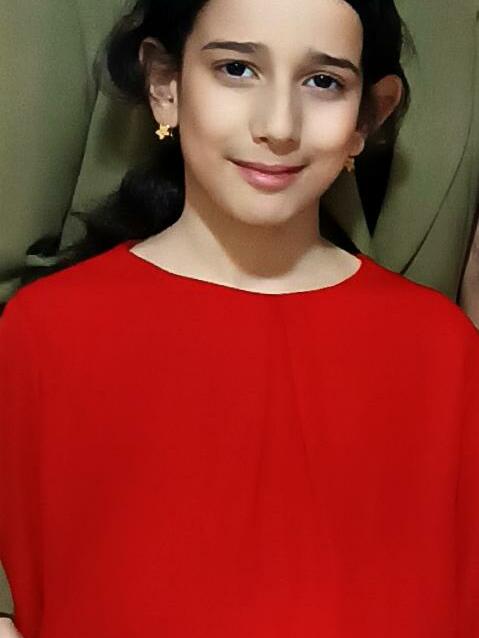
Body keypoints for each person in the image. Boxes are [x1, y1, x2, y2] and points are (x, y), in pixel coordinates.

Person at [0, 0, 477, 636]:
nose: (278, 125)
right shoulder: (48, 331)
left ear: (369, 117)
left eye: (323, 81)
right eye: (236, 69)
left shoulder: (439, 348)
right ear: (165, 87)